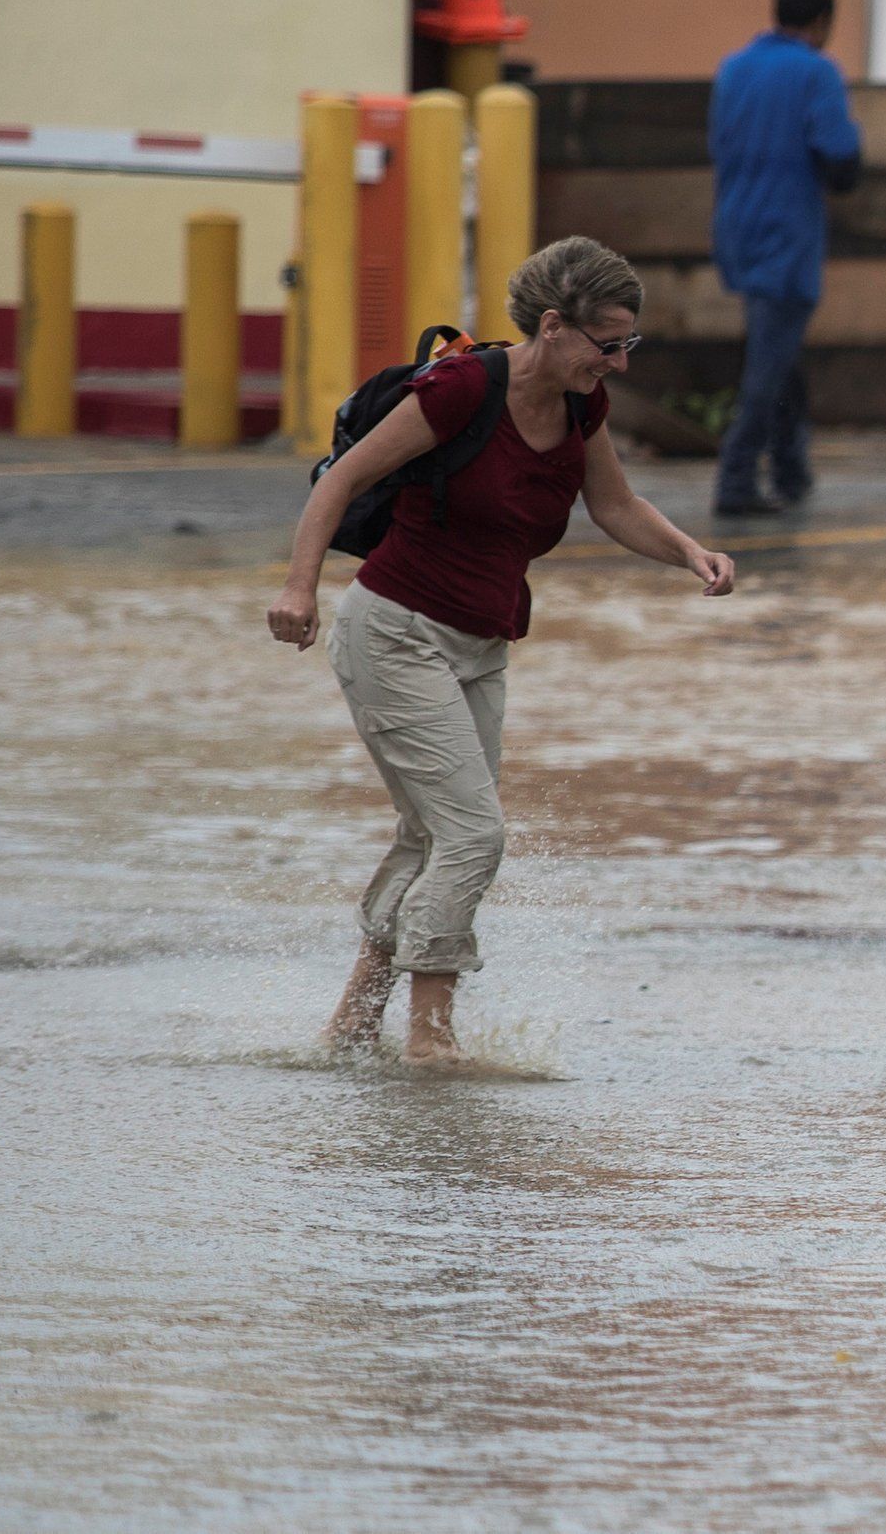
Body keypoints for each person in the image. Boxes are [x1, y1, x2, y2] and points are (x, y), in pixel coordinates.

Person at [268, 237, 736, 1063]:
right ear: (553, 327)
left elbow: (615, 504)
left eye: (629, 344)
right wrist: (298, 589)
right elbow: (339, 480)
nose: (619, 363)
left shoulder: (581, 404)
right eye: (608, 343)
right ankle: (429, 1040)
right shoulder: (460, 388)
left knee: (431, 833)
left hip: (481, 644)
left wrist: (687, 552)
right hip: (393, 631)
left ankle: (351, 1023)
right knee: (473, 833)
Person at [708, 0, 864, 517]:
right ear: (822, 23)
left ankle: (792, 469)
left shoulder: (734, 68)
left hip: (736, 228)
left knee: (780, 353)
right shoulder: (816, 71)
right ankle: (735, 479)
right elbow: (839, 153)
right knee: (769, 365)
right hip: (787, 232)